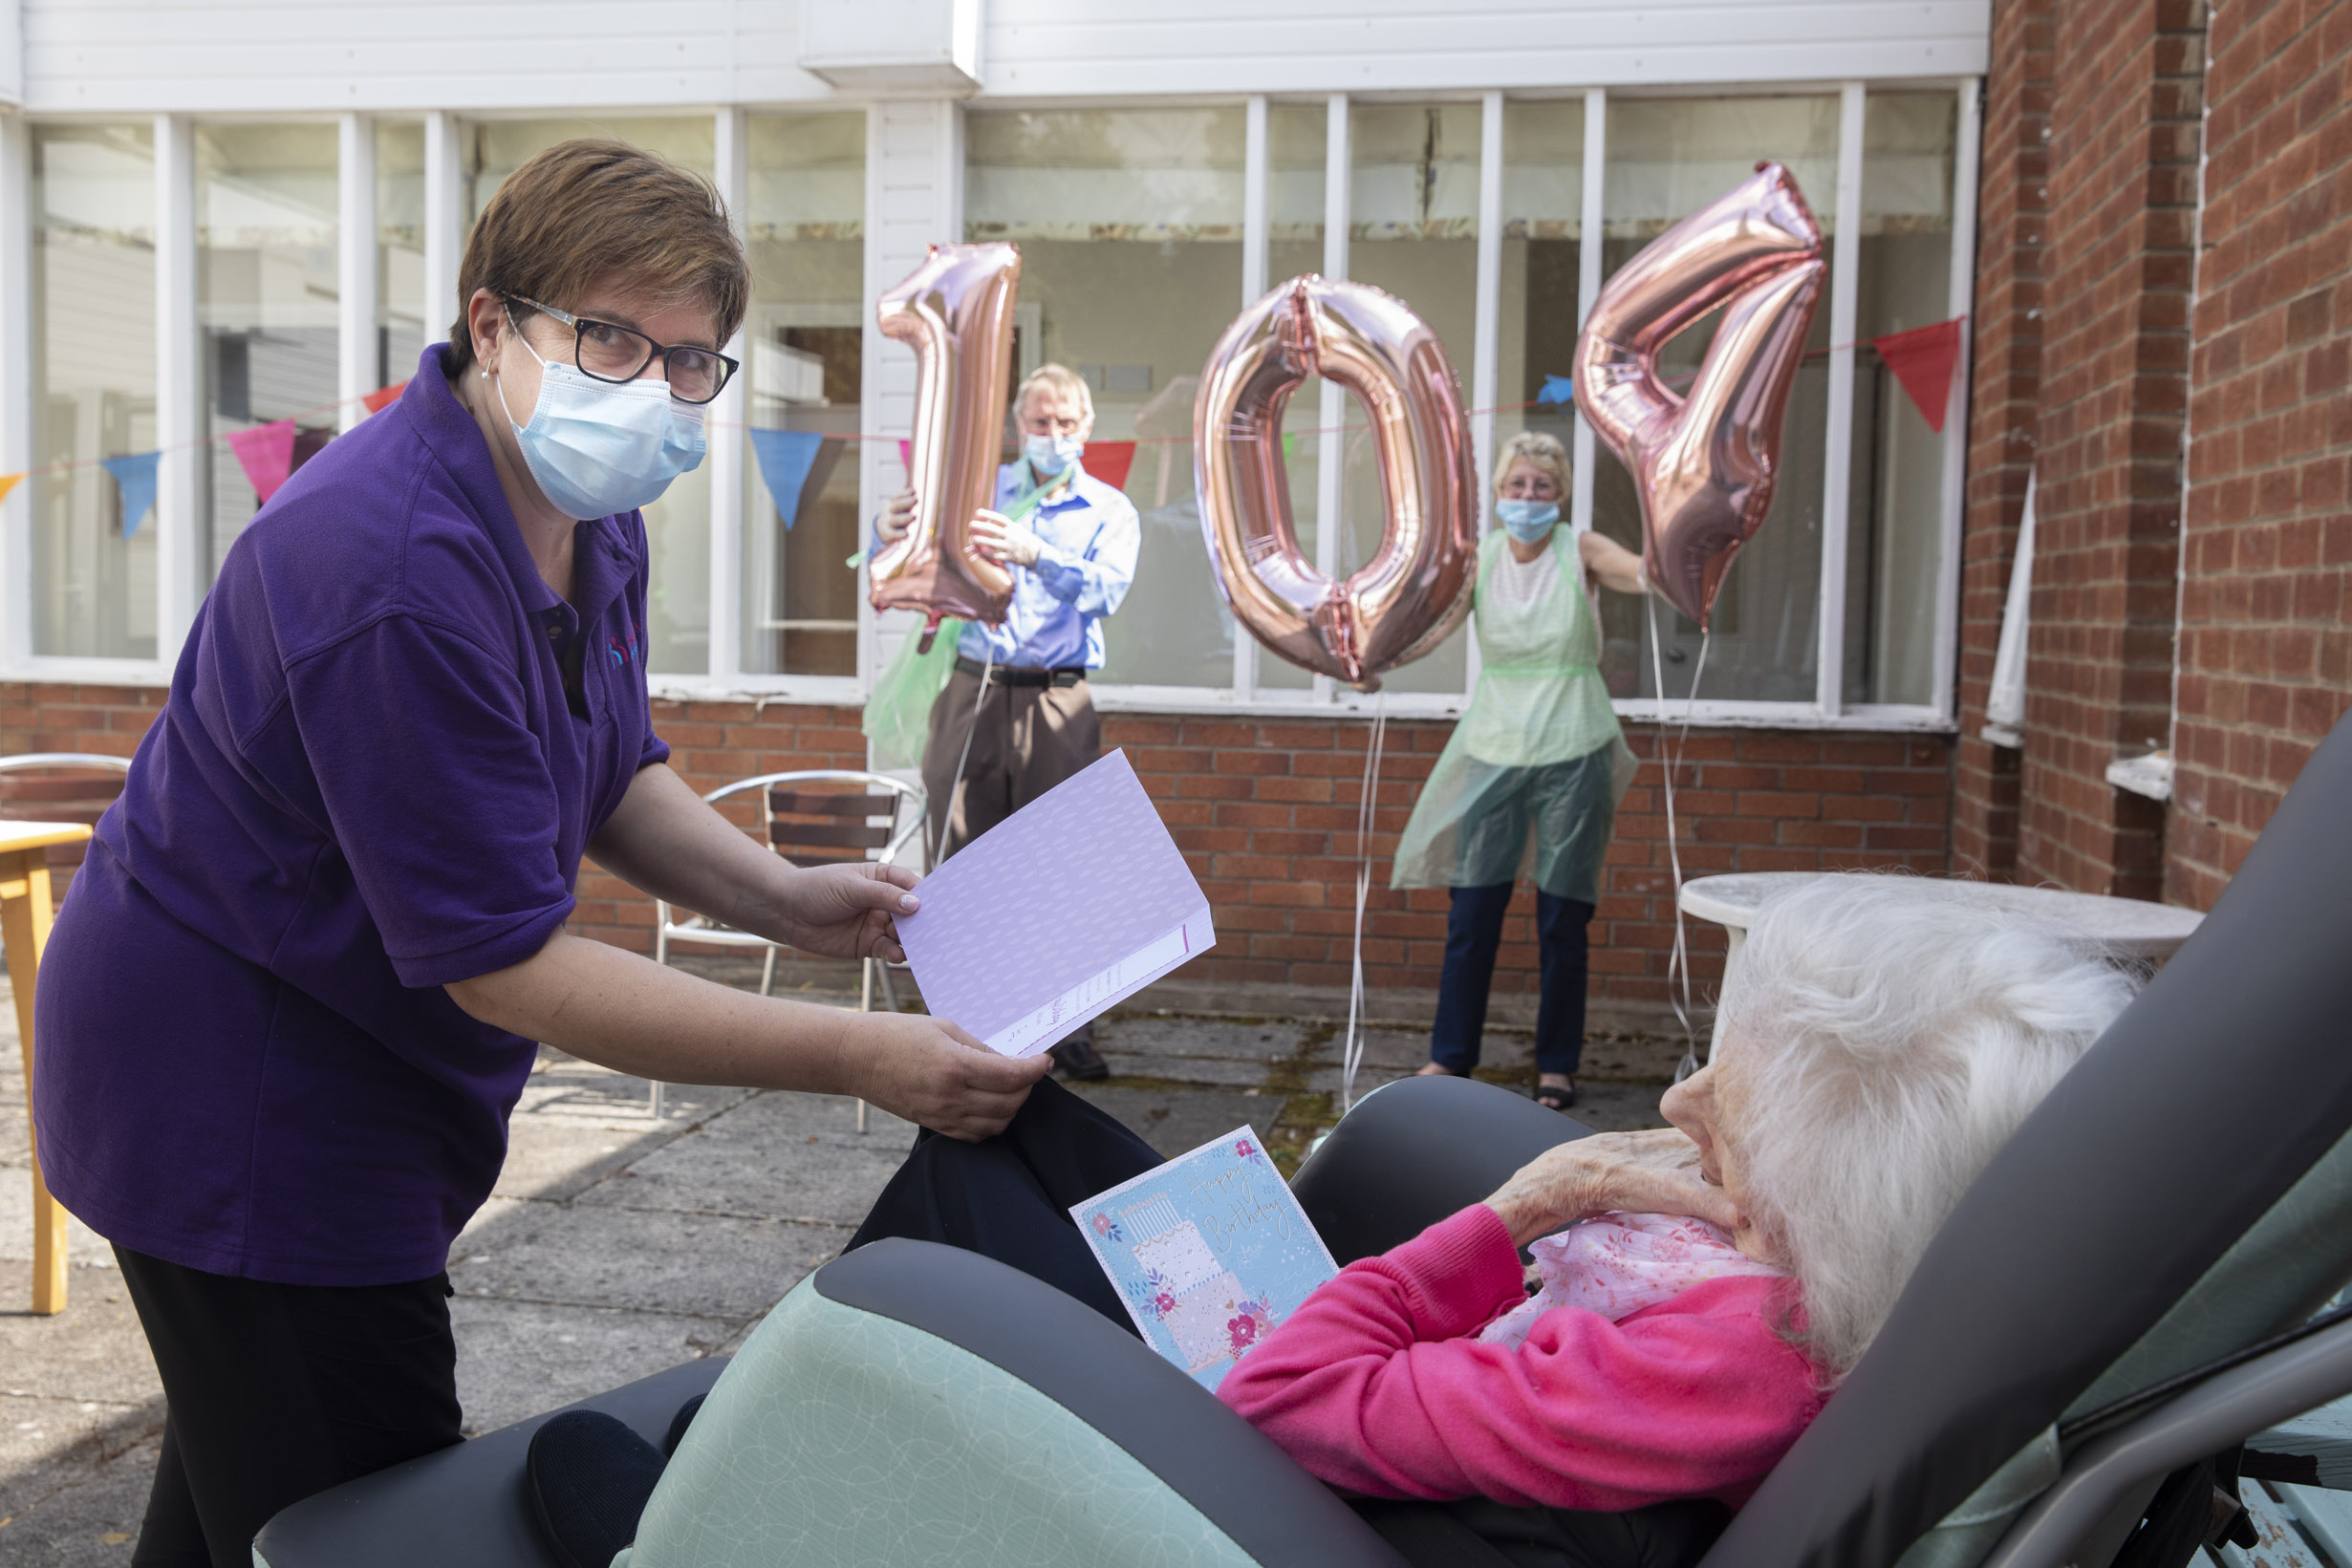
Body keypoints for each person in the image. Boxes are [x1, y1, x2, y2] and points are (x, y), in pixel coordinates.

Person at [29, 140, 1049, 1568]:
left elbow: (605, 763)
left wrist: (786, 899)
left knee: (253, 1509)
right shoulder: (393, 574)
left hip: (344, 1064)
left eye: (694, 361)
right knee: (369, 1522)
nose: (656, 387)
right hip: (244, 1097)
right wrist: (864, 1059)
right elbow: (506, 970)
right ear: (494, 325)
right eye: (613, 338)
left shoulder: (581, 508)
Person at [522, 875, 2133, 1568]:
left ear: (1846, 1186)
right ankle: (739, 1455)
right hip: (1393, 1431)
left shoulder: (1709, 1362)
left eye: (1746, 1088)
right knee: (1022, 1135)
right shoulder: (1813, 1295)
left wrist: (1518, 1206)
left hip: (1274, 1488)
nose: (1692, 1097)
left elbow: (1291, 1402)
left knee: (942, 1242)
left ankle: (698, 1526)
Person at [873, 362, 1142, 1082]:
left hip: (1057, 696)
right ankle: (965, 1023)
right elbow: (900, 564)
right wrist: (883, 529)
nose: (1050, 435)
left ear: (1086, 428)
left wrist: (1037, 555)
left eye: (1063, 423)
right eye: (1037, 422)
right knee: (957, 860)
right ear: (1019, 425)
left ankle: (1071, 1028)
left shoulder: (1109, 509)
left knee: (1064, 866)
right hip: (972, 689)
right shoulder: (977, 492)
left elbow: (1108, 592)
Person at [1391, 429, 1647, 1111]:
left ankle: (1556, 1065)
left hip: (1574, 740)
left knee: (1563, 916)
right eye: (1517, 485)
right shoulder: (1477, 559)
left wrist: (1685, 549)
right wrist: (1364, 666)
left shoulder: (1580, 550)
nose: (1528, 497)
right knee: (1473, 908)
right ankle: (1449, 1056)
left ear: (1559, 495)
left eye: (1542, 486)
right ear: (1498, 492)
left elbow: (1641, 571)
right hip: (1494, 742)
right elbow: (1425, 628)